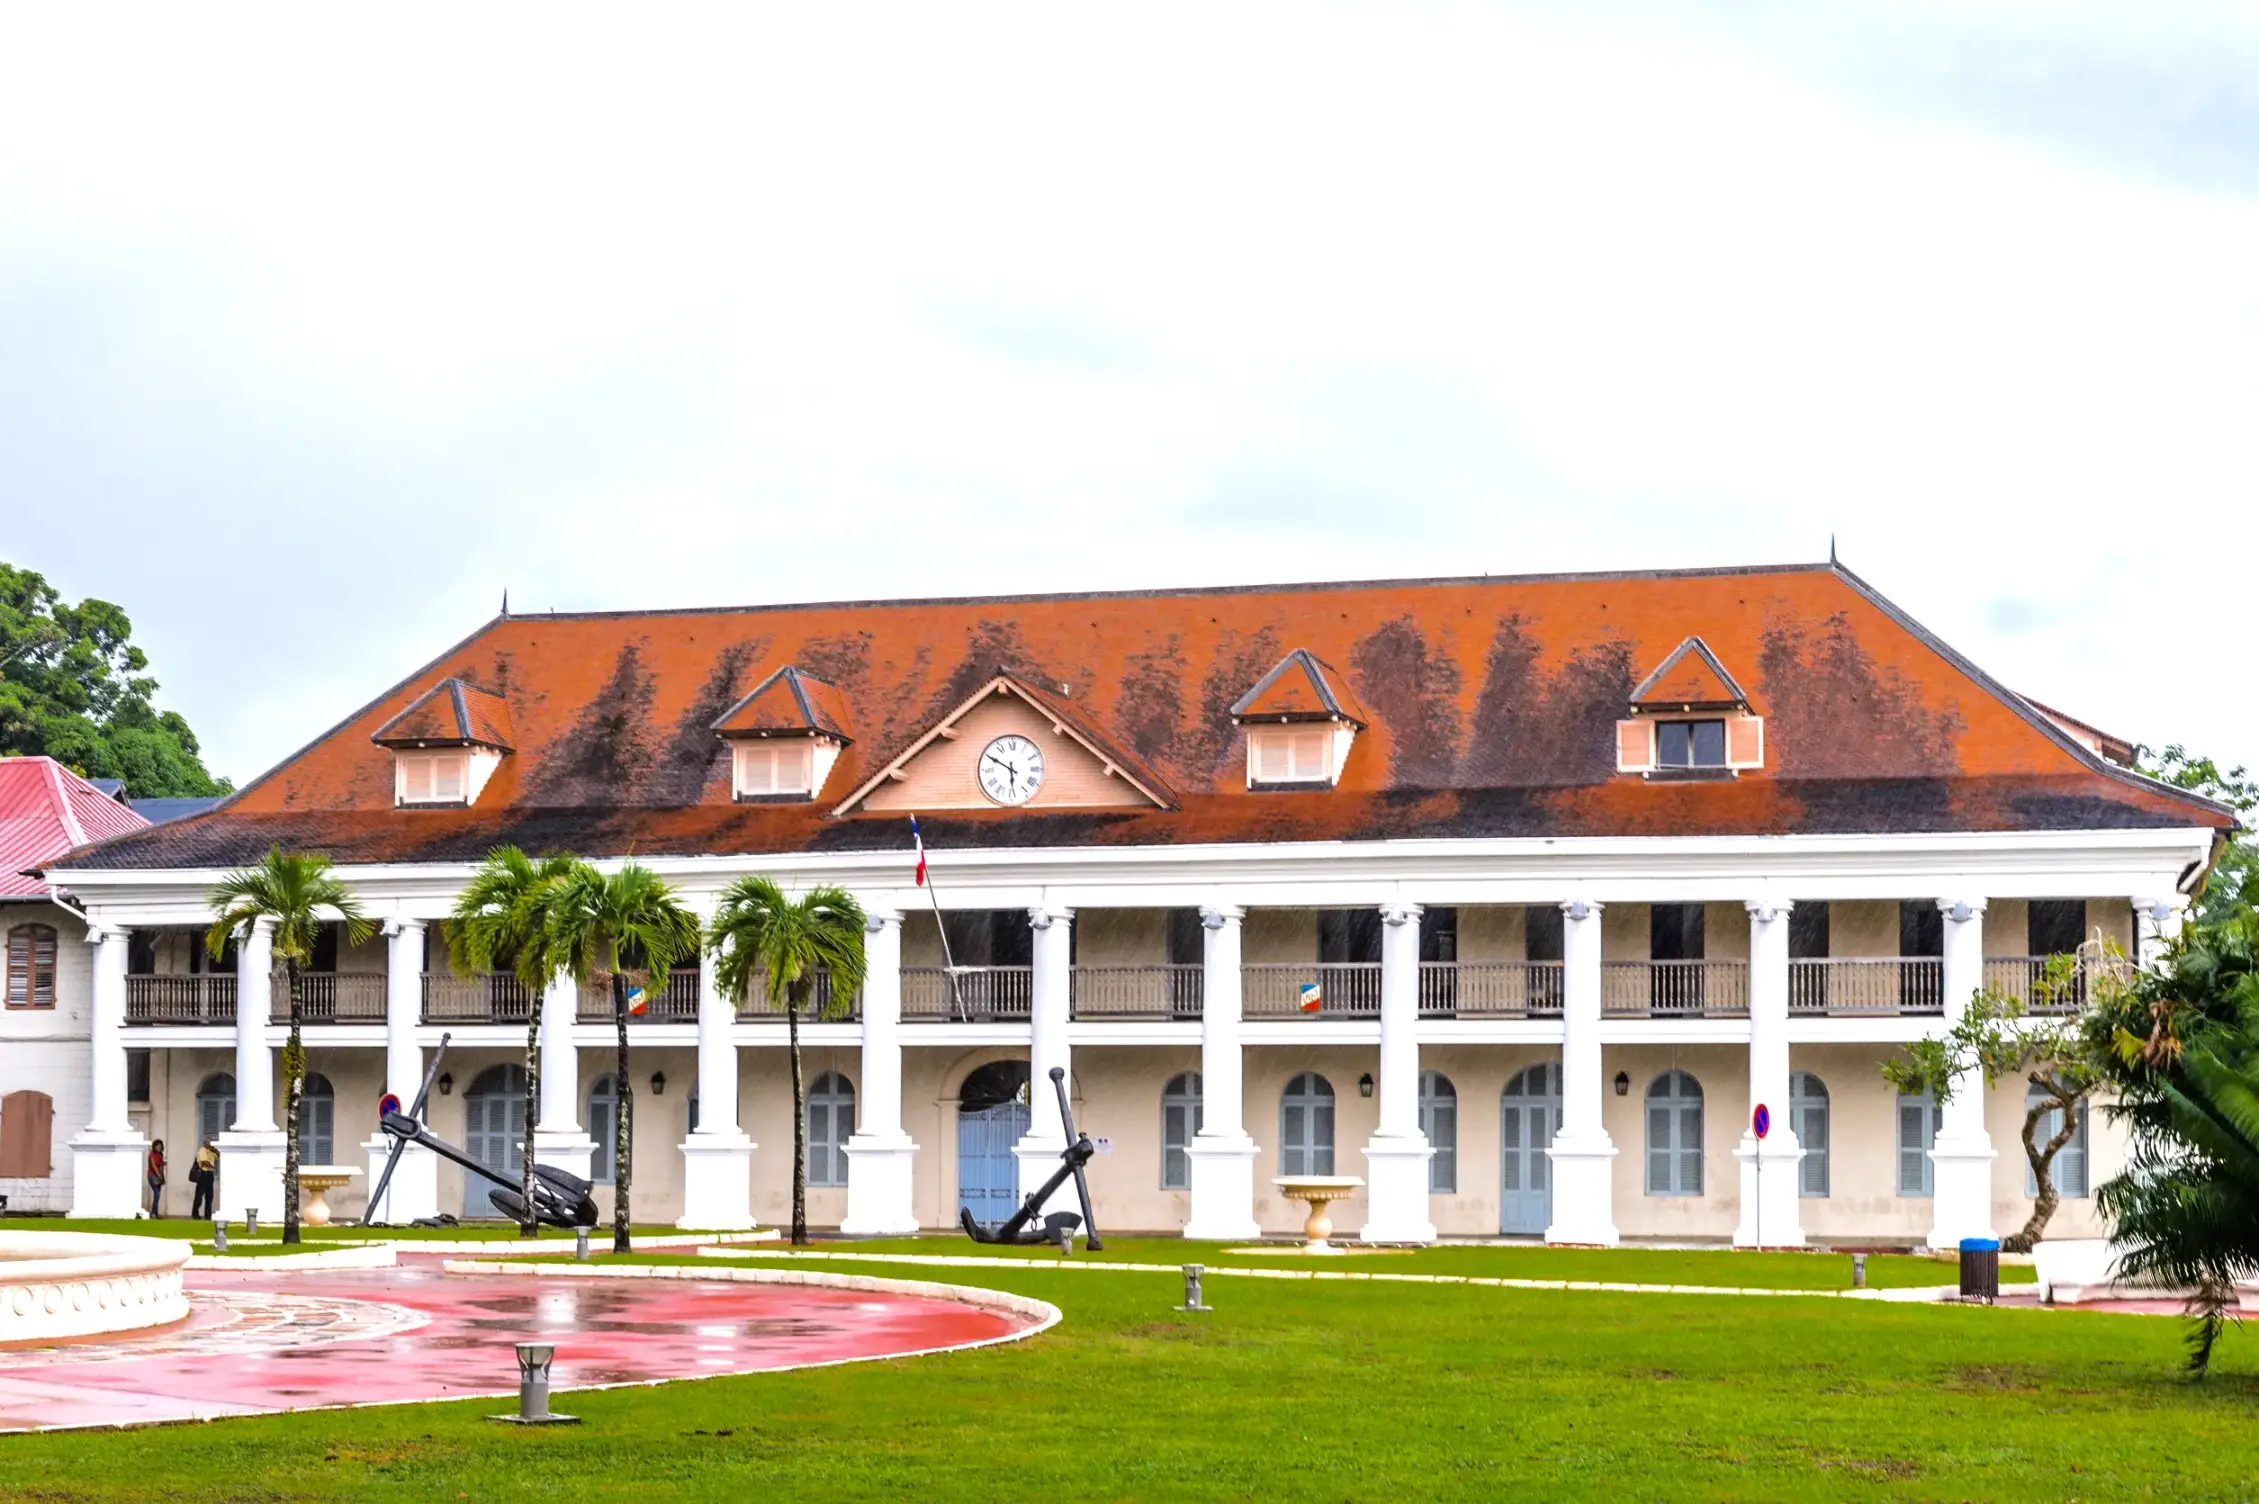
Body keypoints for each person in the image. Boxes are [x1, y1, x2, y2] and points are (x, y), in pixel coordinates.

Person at [190, 1138, 219, 1220]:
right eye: (207, 1142)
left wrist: (214, 1149)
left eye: (210, 1142)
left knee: (209, 1196)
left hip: (210, 1175)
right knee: (199, 1195)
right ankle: (195, 1214)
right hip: (203, 1174)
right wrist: (212, 1166)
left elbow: (218, 1155)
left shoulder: (211, 1151)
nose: (209, 1144)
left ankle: (208, 1215)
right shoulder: (202, 1150)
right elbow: (203, 1161)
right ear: (204, 1143)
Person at [146, 1139, 167, 1218]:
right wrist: (159, 1174)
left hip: (159, 1176)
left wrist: (163, 1164)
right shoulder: (151, 1154)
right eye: (157, 1146)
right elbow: (153, 1166)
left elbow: (160, 1165)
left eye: (160, 1146)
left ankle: (154, 1213)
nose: (159, 1148)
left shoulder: (161, 1154)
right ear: (154, 1147)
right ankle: (154, 1213)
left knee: (157, 1195)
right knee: (157, 1194)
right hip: (152, 1175)